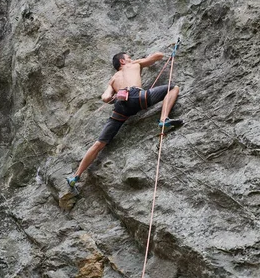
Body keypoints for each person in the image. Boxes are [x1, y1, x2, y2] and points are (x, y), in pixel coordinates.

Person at [67, 51, 183, 187]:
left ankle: (75, 177)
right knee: (173, 88)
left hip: (120, 107)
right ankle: (163, 119)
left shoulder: (113, 79)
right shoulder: (133, 64)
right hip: (136, 97)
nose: (131, 59)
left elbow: (105, 97)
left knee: (99, 144)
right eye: (129, 57)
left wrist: (115, 96)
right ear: (122, 61)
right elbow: (157, 57)